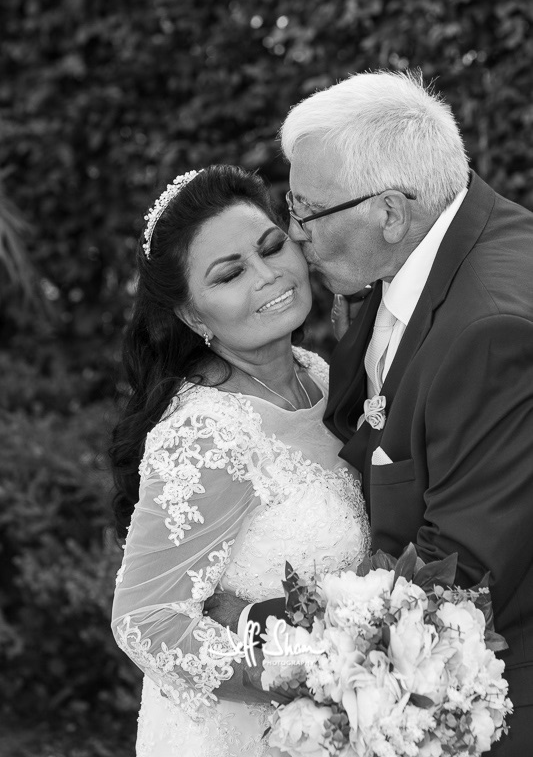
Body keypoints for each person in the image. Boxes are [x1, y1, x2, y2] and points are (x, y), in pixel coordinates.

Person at [207, 71, 533, 755]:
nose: (295, 236)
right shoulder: (422, 254)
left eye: (308, 212)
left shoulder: (490, 331)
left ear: (388, 213)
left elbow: (451, 581)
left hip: (488, 705)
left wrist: (251, 621)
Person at [110, 164, 370, 757]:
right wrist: (310, 675)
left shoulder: (322, 377)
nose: (268, 275)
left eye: (272, 246)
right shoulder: (207, 431)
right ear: (193, 316)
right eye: (230, 274)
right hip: (253, 733)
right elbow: (146, 621)